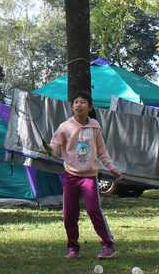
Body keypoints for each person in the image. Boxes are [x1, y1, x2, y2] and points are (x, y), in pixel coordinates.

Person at [49, 92, 122, 260]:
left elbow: (102, 151)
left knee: (94, 210)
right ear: (72, 106)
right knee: (69, 214)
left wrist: (111, 167)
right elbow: (55, 147)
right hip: (70, 176)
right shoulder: (65, 127)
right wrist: (49, 149)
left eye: (83, 102)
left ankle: (108, 245)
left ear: (89, 107)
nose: (79, 105)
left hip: (89, 176)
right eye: (76, 102)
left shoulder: (95, 126)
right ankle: (73, 247)